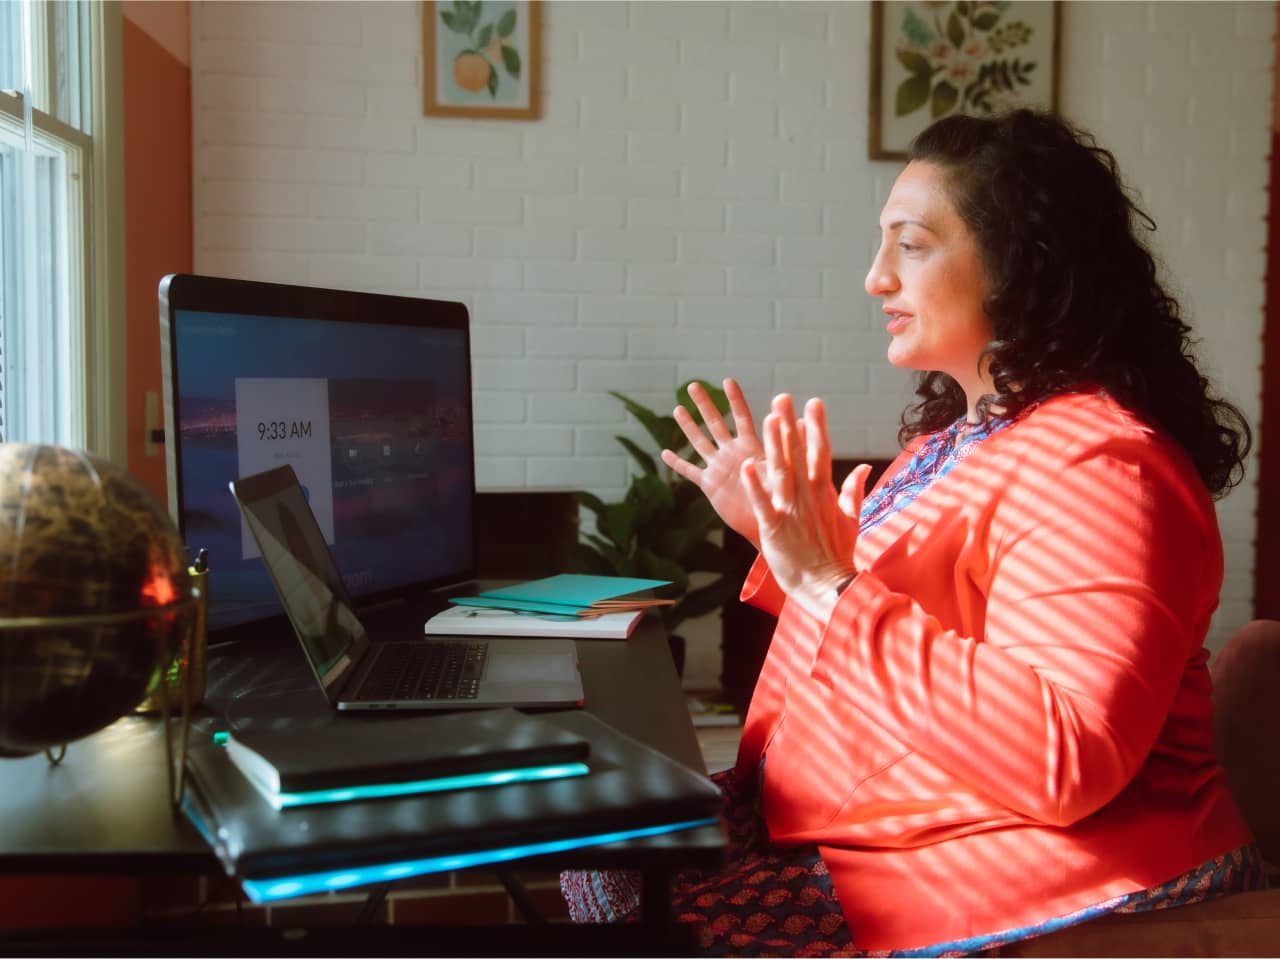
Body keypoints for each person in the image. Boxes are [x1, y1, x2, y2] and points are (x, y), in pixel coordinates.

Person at [559, 108, 1263, 956]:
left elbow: (1065, 754)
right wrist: (782, 540)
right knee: (601, 850)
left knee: (639, 898)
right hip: (888, 822)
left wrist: (826, 578)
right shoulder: (952, 443)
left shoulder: (1105, 464)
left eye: (912, 245)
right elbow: (905, 617)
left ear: (1021, 263)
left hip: (1033, 860)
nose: (876, 278)